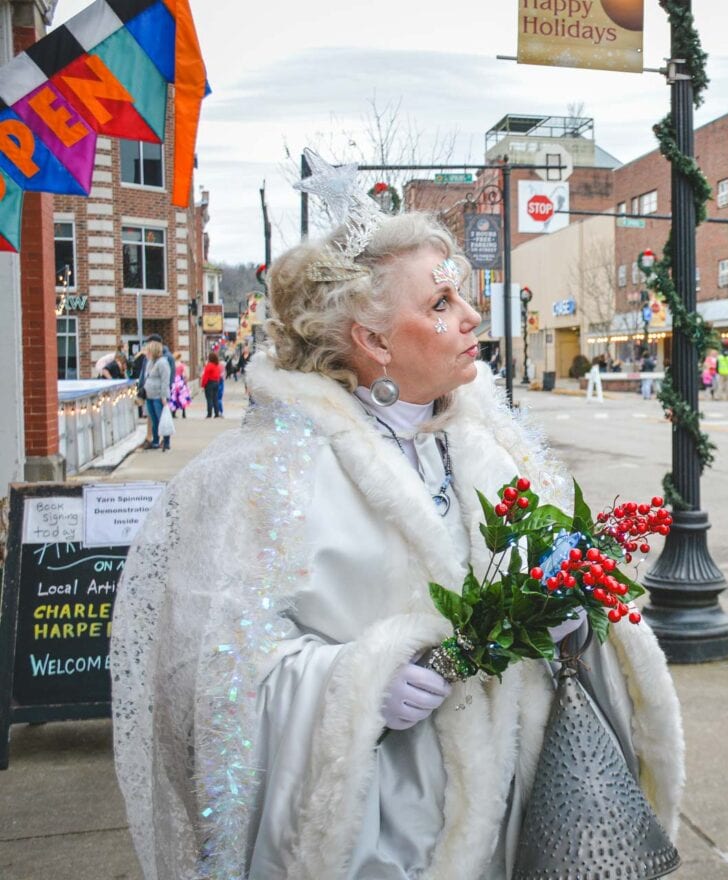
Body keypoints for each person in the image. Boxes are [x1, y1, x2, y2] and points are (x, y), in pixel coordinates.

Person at [110, 212, 683, 879]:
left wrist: (564, 607)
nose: (472, 317)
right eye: (442, 303)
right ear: (372, 339)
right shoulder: (273, 475)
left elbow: (547, 569)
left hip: (510, 820)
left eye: (463, 296)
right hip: (387, 835)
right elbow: (211, 682)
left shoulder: (487, 443)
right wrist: (358, 685)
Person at [140, 340, 171, 451]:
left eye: (148, 350)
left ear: (153, 351)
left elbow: (165, 380)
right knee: (154, 419)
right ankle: (156, 441)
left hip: (158, 396)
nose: (146, 353)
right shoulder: (150, 363)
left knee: (161, 418)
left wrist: (163, 396)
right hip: (149, 395)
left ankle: (166, 441)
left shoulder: (162, 363)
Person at [200, 351, 224, 418]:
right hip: (216, 383)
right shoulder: (217, 365)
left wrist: (203, 385)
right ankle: (216, 413)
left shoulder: (209, 365)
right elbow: (219, 375)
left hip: (209, 383)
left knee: (209, 399)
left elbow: (205, 376)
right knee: (215, 398)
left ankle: (209, 414)